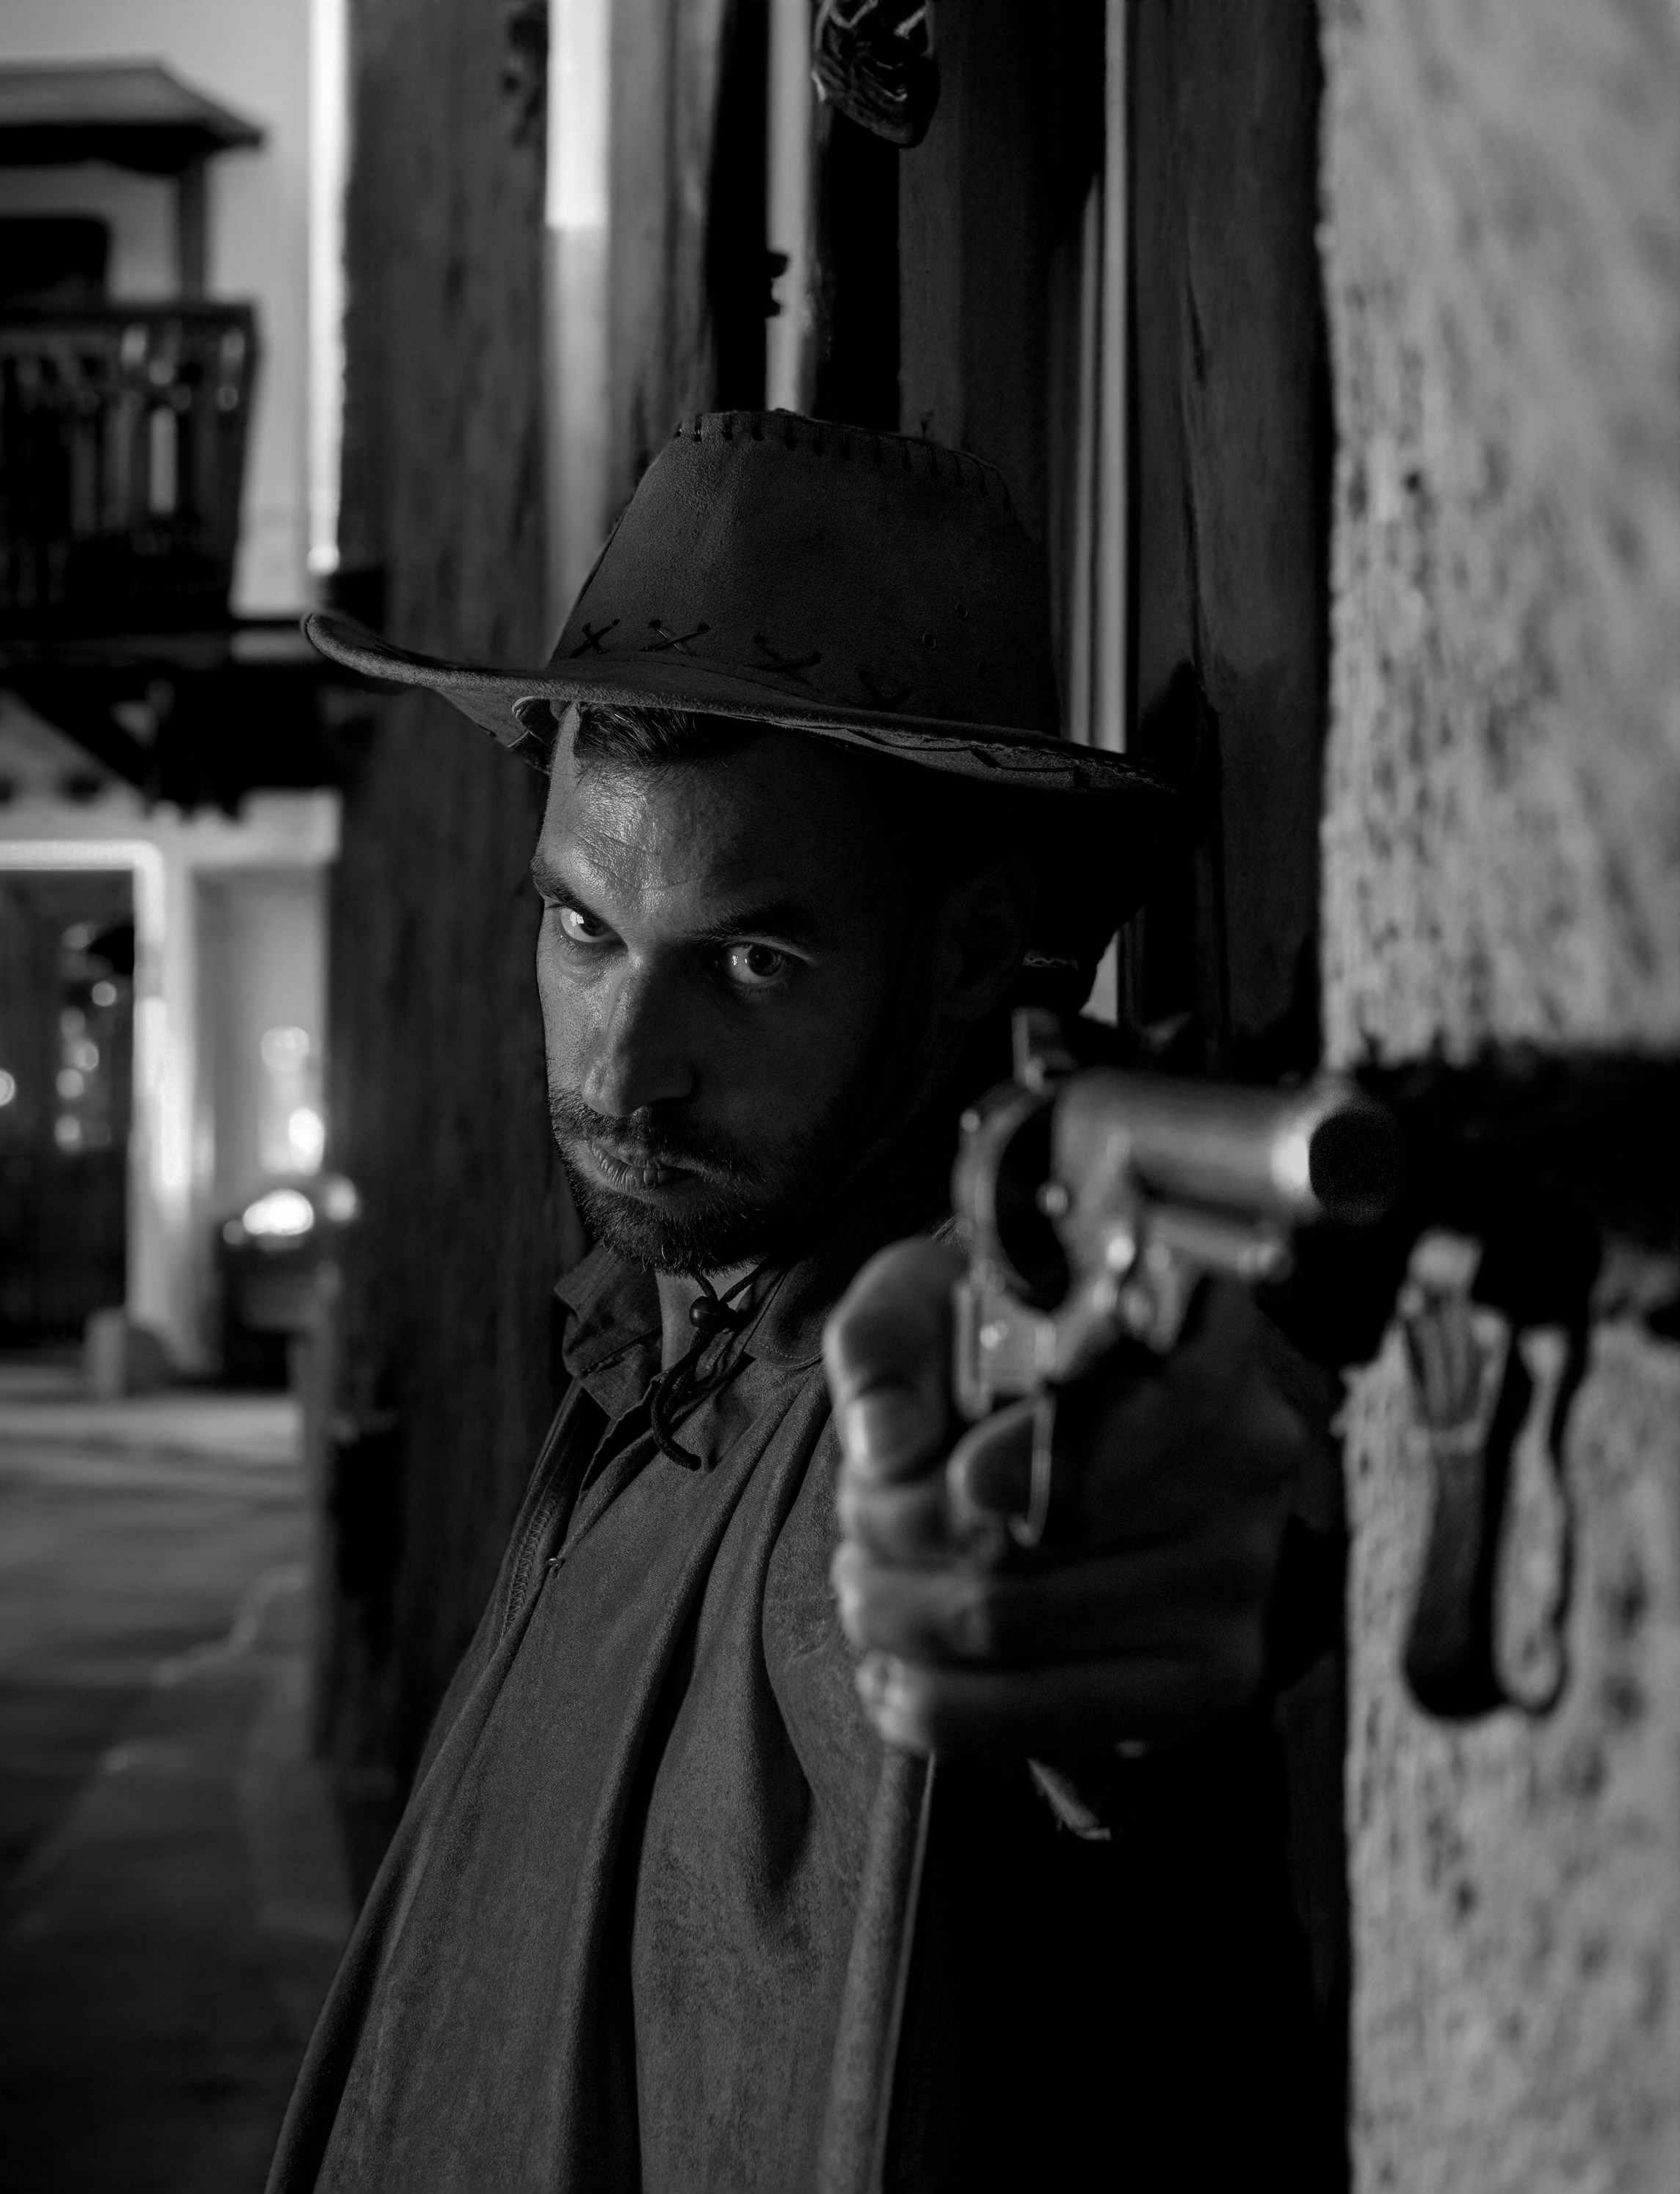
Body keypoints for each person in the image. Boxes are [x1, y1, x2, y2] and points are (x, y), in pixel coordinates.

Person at [273, 411, 1339, 2191]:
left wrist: (1101, 1602)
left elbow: (1063, 1553)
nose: (627, 1070)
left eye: (753, 962)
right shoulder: (646, 1337)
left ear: (973, 953)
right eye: (584, 929)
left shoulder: (949, 1360)